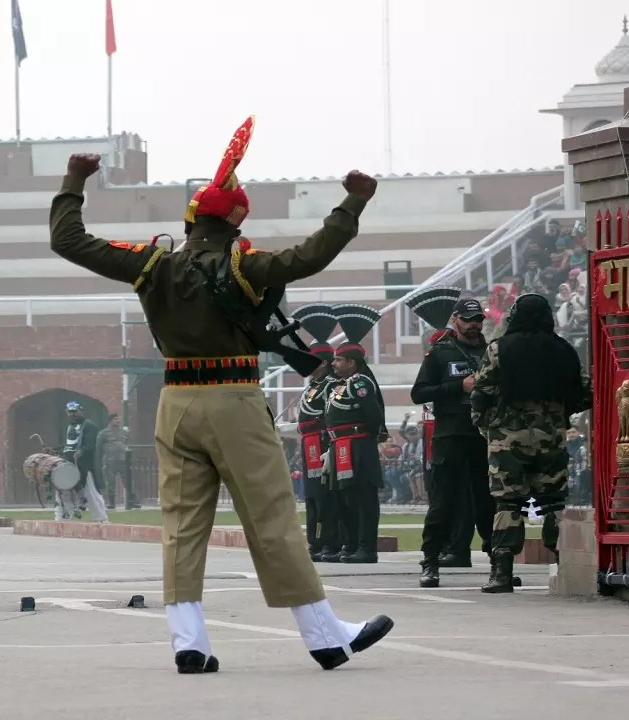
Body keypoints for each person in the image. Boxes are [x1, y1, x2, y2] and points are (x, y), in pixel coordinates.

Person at [48, 117, 392, 675]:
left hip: (175, 402)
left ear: (191, 220)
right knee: (272, 518)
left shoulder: (151, 264)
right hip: (232, 397)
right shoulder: (244, 266)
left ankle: (189, 642)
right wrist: (351, 203)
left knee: (182, 525)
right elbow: (309, 256)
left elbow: (68, 240)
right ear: (236, 222)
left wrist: (75, 179)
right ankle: (326, 637)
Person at [471, 293, 592, 593]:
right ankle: (567, 568)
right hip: (551, 436)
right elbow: (585, 391)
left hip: (507, 438)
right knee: (554, 502)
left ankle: (501, 572)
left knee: (507, 503)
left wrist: (483, 424)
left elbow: (481, 390)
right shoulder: (563, 349)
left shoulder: (499, 348)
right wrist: (559, 413)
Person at [408, 289, 495, 587]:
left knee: (487, 501)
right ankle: (430, 562)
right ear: (455, 320)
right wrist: (459, 386)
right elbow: (419, 393)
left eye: (478, 319)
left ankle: (499, 563)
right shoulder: (440, 353)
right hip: (450, 435)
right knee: (442, 502)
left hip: (484, 436)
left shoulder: (492, 352)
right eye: (468, 319)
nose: (474, 324)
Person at [325, 304, 387, 564]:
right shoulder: (339, 385)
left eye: (339, 359)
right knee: (345, 499)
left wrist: (368, 441)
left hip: (359, 446)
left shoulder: (360, 382)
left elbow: (373, 416)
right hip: (341, 447)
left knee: (362, 499)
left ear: (352, 363)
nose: (334, 363)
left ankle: (366, 547)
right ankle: (350, 545)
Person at [291, 303, 343, 561]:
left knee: (325, 498)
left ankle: (328, 542)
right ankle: (315, 541)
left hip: (323, 446)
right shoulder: (312, 386)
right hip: (308, 444)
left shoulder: (332, 385)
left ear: (323, 362)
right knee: (311, 497)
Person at [97, 413, 135, 510]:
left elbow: (126, 444)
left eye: (119, 419)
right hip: (110, 461)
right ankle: (111, 502)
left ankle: (132, 501)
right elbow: (99, 447)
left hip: (123, 461)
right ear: (110, 421)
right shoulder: (103, 433)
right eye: (115, 419)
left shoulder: (123, 432)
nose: (118, 421)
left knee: (128, 481)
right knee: (110, 483)